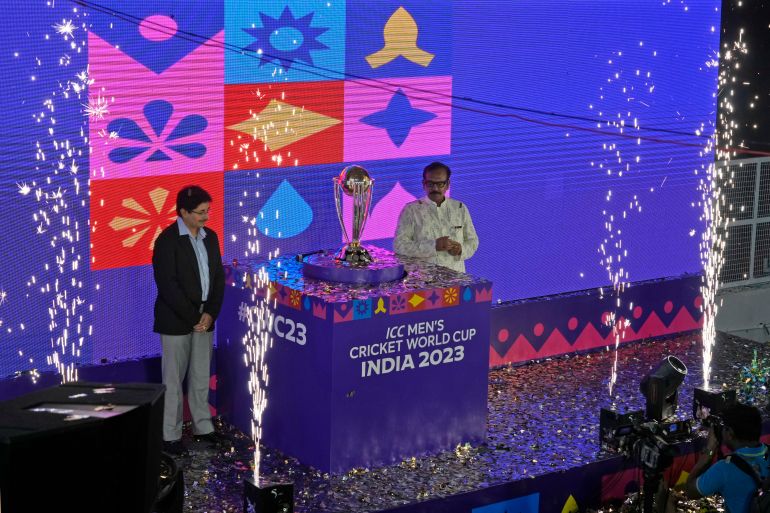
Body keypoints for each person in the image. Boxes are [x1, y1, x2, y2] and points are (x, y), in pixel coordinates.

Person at [152, 185, 226, 456]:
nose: (206, 217)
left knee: (200, 376)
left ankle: (202, 428)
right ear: (183, 212)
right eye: (200, 212)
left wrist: (210, 314)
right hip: (176, 320)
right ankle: (169, 435)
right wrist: (196, 318)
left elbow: (218, 278)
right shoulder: (167, 241)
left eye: (208, 211)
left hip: (205, 319)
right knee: (173, 380)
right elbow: (168, 286)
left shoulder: (211, 237)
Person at [394, 161, 479, 273]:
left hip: (455, 278)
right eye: (430, 184)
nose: (435, 188)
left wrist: (460, 250)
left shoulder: (459, 208)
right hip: (423, 280)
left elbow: (473, 241)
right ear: (423, 184)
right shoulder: (411, 210)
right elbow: (399, 245)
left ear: (448, 184)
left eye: (440, 184)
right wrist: (433, 246)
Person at [684, 402, 769, 513]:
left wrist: (709, 451)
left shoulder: (725, 468)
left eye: (724, 427)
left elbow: (690, 491)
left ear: (730, 433)